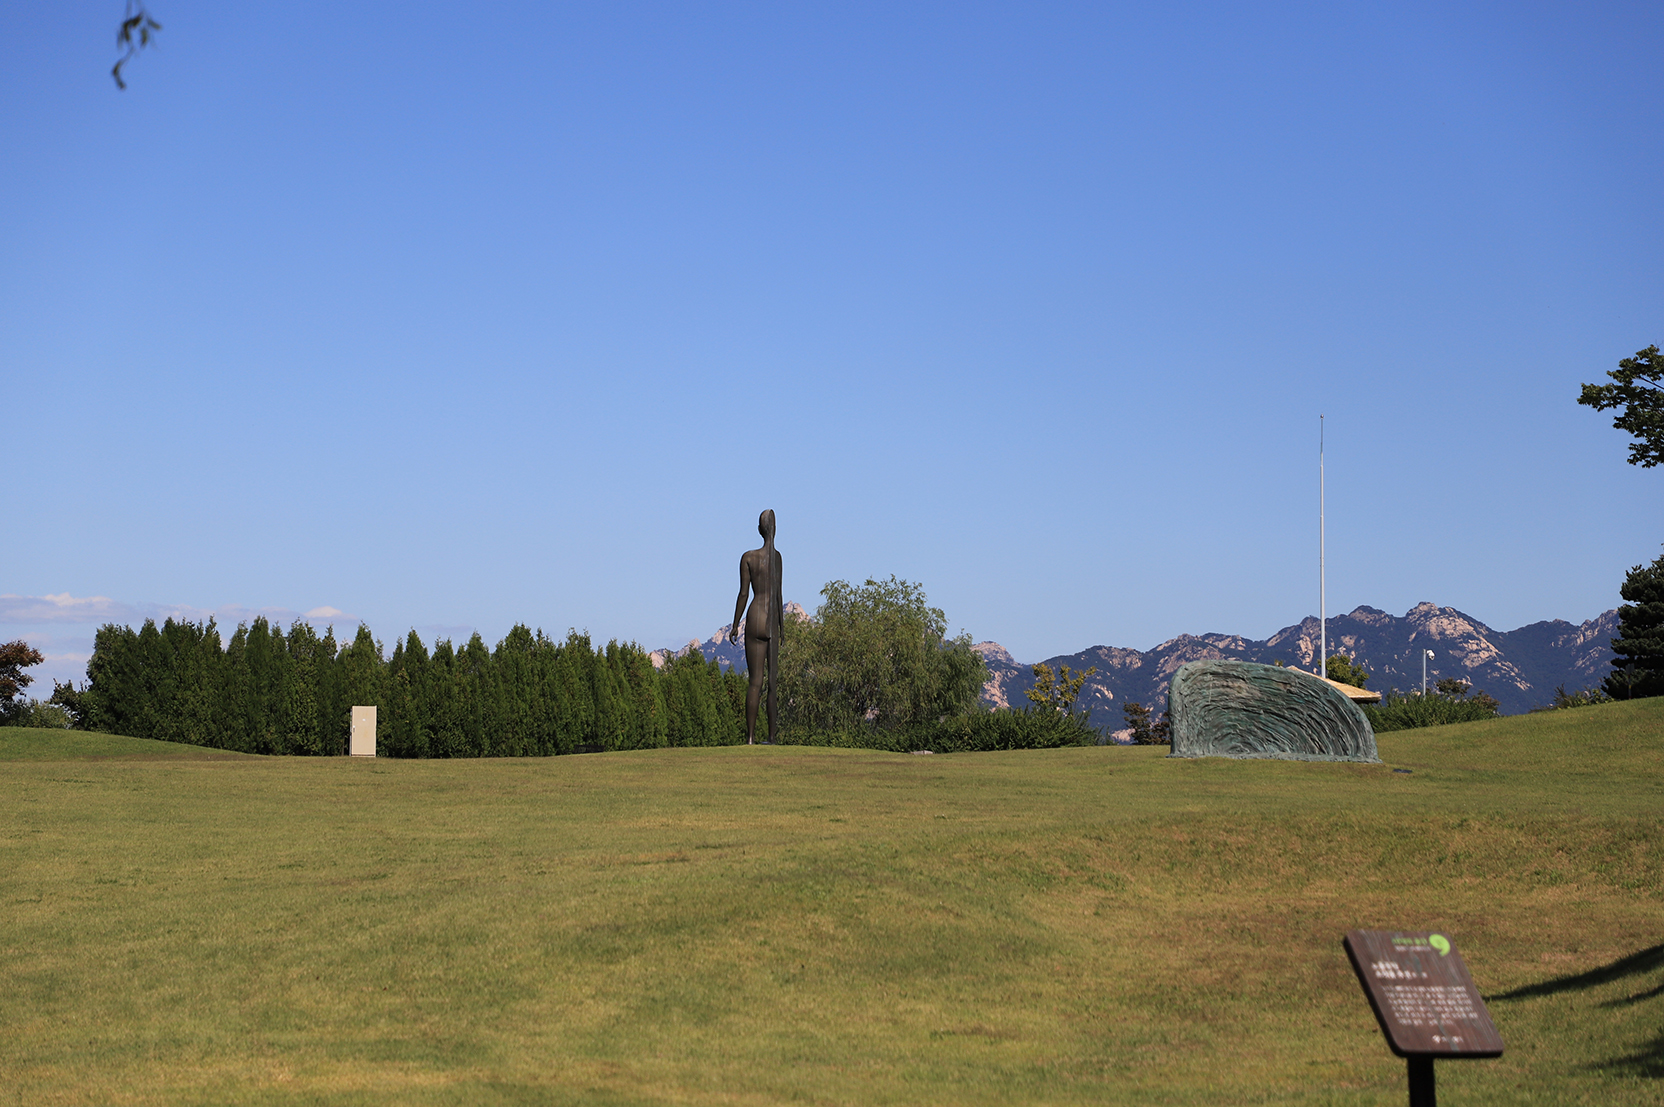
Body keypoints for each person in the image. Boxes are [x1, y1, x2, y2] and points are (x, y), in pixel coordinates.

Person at [729, 509, 783, 744]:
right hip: (772, 621)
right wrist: (782, 626)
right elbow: (779, 594)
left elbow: (743, 594)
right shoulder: (778, 558)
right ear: (775, 529)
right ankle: (771, 737)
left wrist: (735, 624)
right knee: (772, 683)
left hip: (755, 617)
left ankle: (750, 738)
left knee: (755, 682)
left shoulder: (748, 557)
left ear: (760, 530)